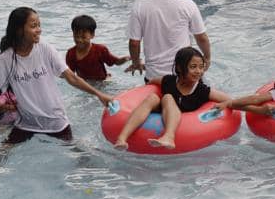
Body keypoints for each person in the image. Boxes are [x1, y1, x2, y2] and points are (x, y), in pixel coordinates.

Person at [0, 7, 114, 144]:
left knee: (75, 150)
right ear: (19, 30)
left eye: (39, 25)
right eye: (33, 26)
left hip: (55, 121)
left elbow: (71, 77)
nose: (39, 30)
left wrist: (99, 94)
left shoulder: (45, 49)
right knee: (1, 153)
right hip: (26, 123)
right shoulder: (5, 59)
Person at [112, 47, 264, 150]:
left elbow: (232, 102)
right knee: (154, 97)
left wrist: (259, 110)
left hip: (187, 123)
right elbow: (149, 85)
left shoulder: (202, 91)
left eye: (201, 66)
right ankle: (122, 138)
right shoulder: (168, 80)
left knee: (167, 98)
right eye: (193, 67)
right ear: (179, 68)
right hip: (162, 112)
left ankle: (169, 136)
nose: (198, 71)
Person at [126, 0, 211, 82]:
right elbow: (202, 37)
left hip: (155, 77)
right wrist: (207, 58)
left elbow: (134, 43)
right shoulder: (187, 4)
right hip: (185, 75)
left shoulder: (139, 6)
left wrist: (136, 63)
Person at [65, 14, 126, 81]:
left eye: (83, 37)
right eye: (76, 36)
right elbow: (70, 74)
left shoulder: (100, 50)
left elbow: (115, 61)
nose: (79, 40)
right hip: (84, 84)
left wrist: (127, 58)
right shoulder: (71, 53)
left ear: (92, 35)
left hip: (102, 82)